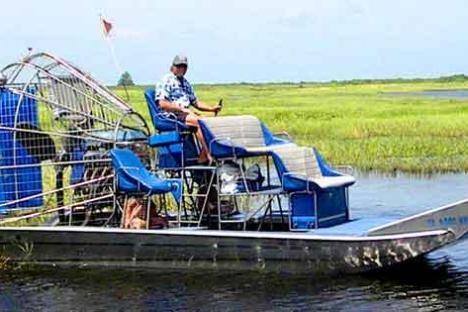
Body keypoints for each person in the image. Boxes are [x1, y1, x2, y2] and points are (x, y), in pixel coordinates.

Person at [155, 55, 221, 163]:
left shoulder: (185, 83)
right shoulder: (166, 80)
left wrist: (212, 109)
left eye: (184, 67)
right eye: (179, 66)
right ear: (173, 67)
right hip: (172, 115)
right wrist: (181, 109)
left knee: (208, 122)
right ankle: (208, 155)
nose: (182, 69)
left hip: (186, 113)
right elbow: (162, 104)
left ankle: (205, 155)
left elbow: (195, 102)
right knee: (200, 122)